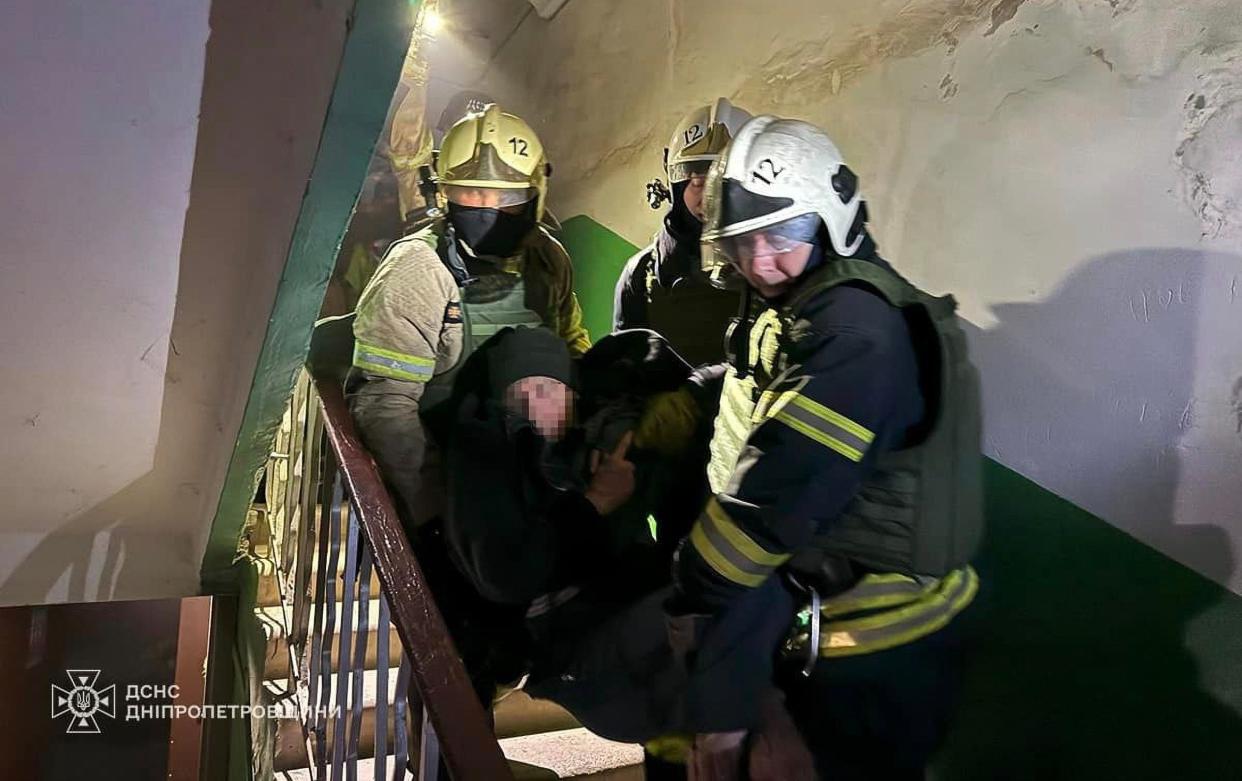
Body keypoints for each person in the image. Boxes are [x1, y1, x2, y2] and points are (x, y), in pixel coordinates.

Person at [668, 115, 984, 780]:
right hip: (837, 623)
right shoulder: (817, 300)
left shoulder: (857, 330)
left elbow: (771, 504)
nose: (759, 261)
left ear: (831, 218)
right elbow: (776, 384)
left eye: (781, 232)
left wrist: (690, 584)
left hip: (877, 649)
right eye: (741, 241)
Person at [346, 103, 590, 536]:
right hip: (452, 475)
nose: (488, 209)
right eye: (471, 195)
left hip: (538, 472)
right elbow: (385, 405)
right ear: (444, 194)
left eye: (508, 198)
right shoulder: (417, 269)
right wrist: (441, 513)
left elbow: (572, 344)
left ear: (535, 195)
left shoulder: (547, 259)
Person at [613, 99, 751, 367]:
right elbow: (624, 374)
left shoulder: (768, 265)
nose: (709, 197)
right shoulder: (640, 276)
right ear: (677, 187)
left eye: (722, 183)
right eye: (698, 182)